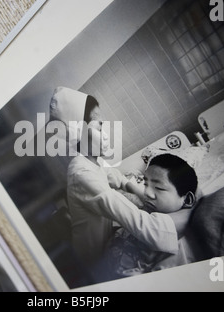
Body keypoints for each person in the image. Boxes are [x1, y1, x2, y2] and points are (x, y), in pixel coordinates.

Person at [51, 86, 191, 283]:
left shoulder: (92, 162)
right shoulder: (81, 174)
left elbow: (117, 178)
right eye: (98, 127)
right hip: (96, 264)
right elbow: (143, 225)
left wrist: (140, 192)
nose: (105, 133)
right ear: (79, 134)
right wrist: (193, 210)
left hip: (105, 243)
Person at [107, 153, 201, 278]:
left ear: (188, 200)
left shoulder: (176, 242)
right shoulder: (148, 210)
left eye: (159, 188)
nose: (147, 193)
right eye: (145, 184)